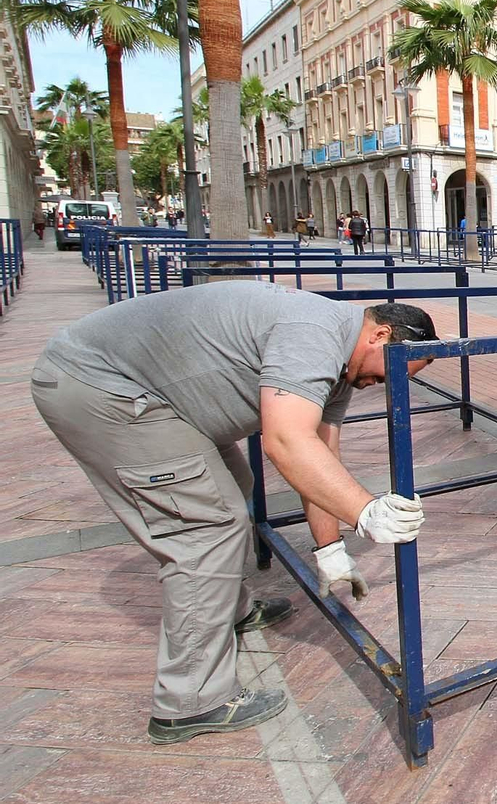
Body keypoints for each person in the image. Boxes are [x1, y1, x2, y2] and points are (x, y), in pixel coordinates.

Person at [31, 281, 437, 743]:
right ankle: (189, 702)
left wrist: (330, 550)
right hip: (103, 389)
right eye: (393, 372)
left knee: (233, 488)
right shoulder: (314, 335)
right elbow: (286, 441)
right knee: (207, 527)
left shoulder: (342, 359)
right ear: (381, 335)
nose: (387, 384)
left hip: (147, 394)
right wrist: (367, 512)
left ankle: (228, 609)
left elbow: (319, 459)